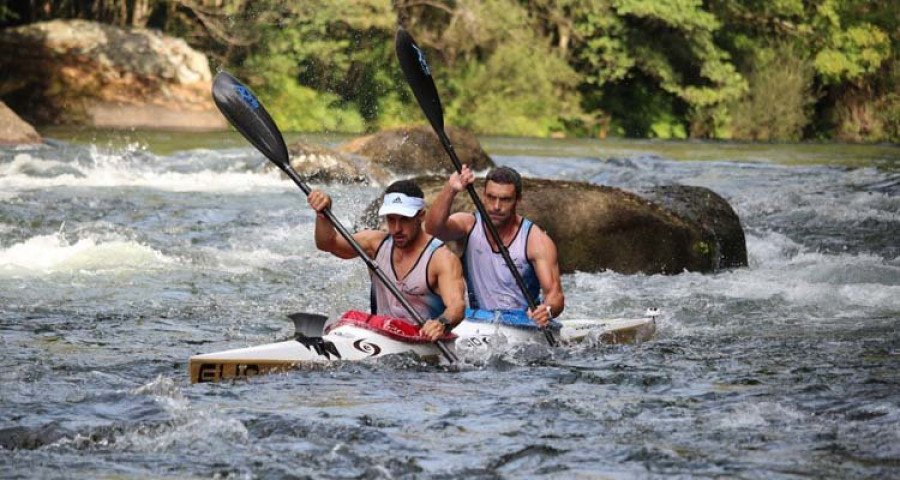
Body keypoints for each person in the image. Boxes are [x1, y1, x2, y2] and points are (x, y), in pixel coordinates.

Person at [307, 180, 466, 341]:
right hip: (380, 336)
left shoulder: (441, 259)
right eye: (391, 219)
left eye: (404, 219)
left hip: (423, 342)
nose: (396, 228)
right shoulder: (374, 244)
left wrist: (442, 323)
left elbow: (457, 305)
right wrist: (322, 215)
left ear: (421, 216)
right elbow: (328, 244)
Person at [424, 165, 564, 327]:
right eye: (491, 197)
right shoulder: (469, 225)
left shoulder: (536, 241)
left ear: (518, 200)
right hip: (477, 320)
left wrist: (547, 310)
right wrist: (451, 189)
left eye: (505, 199)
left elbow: (556, 295)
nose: (496, 206)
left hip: (521, 323)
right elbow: (432, 230)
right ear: (483, 196)